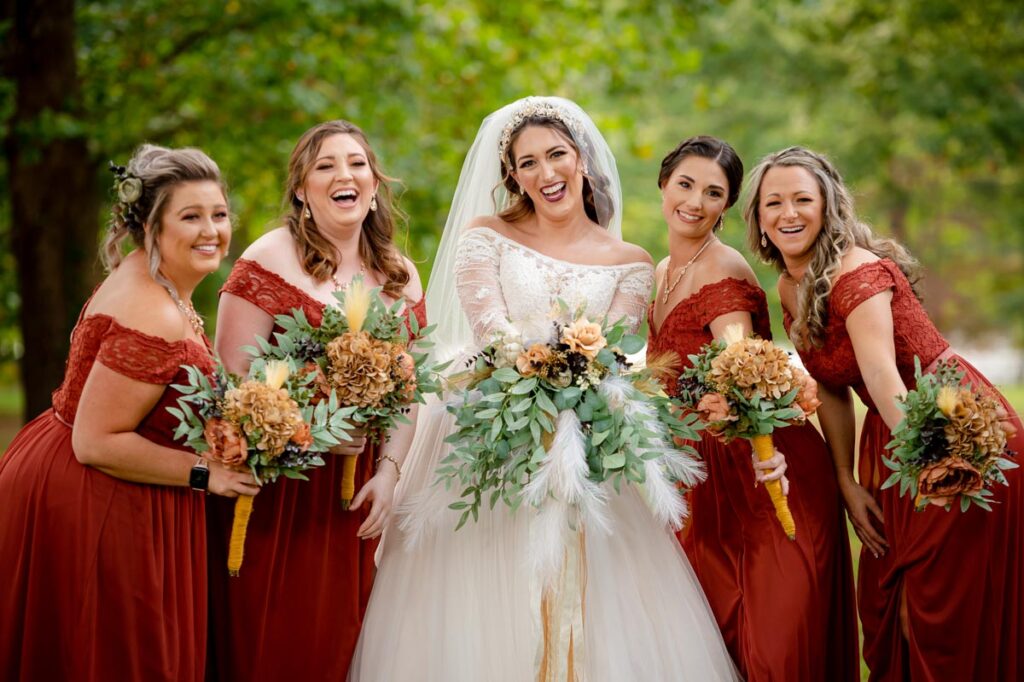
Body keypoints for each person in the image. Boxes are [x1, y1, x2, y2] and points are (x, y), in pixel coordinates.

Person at [349, 97, 740, 681]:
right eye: (527, 162)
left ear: (581, 159)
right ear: (512, 174)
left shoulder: (631, 262)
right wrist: (539, 373)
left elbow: (613, 350)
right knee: (481, 599)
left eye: (556, 155)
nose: (545, 172)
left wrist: (576, 387)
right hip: (488, 427)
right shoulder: (486, 236)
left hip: (585, 439)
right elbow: (490, 330)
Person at [745, 145, 1024, 681]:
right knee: (886, 599)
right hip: (891, 431)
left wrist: (934, 466)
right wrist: (844, 478)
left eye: (802, 199)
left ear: (828, 207)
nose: (788, 213)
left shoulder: (858, 273)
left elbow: (881, 378)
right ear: (758, 218)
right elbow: (831, 386)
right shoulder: (789, 285)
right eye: (773, 203)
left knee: (932, 605)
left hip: (948, 424)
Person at [0, 145, 258, 681]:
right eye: (190, 217)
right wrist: (206, 472)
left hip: (83, 471)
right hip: (99, 496)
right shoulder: (153, 310)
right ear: (151, 225)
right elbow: (96, 442)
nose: (211, 231)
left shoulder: (156, 279)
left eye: (218, 214)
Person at [207, 120, 424, 681]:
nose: (343, 175)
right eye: (324, 166)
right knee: (271, 644)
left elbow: (409, 389)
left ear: (373, 185)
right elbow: (230, 382)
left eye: (356, 163)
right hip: (278, 490)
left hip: (354, 495)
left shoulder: (400, 276)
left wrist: (390, 473)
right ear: (302, 190)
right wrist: (315, 428)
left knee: (336, 645)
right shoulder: (270, 257)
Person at [646, 135, 858, 680]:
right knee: (716, 646)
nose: (695, 202)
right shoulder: (662, 271)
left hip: (764, 468)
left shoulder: (723, 269)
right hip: (703, 477)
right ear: (663, 185)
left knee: (772, 648)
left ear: (727, 205)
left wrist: (769, 457)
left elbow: (745, 376)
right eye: (685, 184)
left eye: (713, 193)